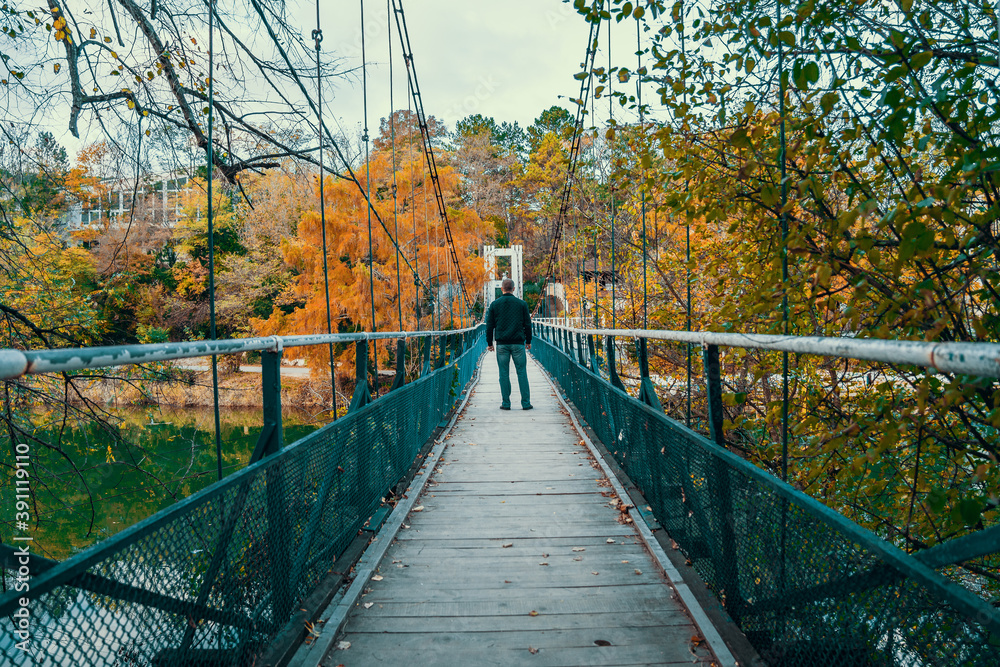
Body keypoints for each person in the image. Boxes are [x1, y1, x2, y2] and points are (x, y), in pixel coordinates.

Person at [486, 278, 533, 410]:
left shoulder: (494, 305)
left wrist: (490, 343)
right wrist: (528, 341)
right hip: (518, 344)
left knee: (503, 374)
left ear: (502, 289)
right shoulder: (522, 304)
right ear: (513, 289)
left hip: (501, 345)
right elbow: (528, 324)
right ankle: (526, 403)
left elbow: (489, 326)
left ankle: (506, 403)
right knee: (522, 372)